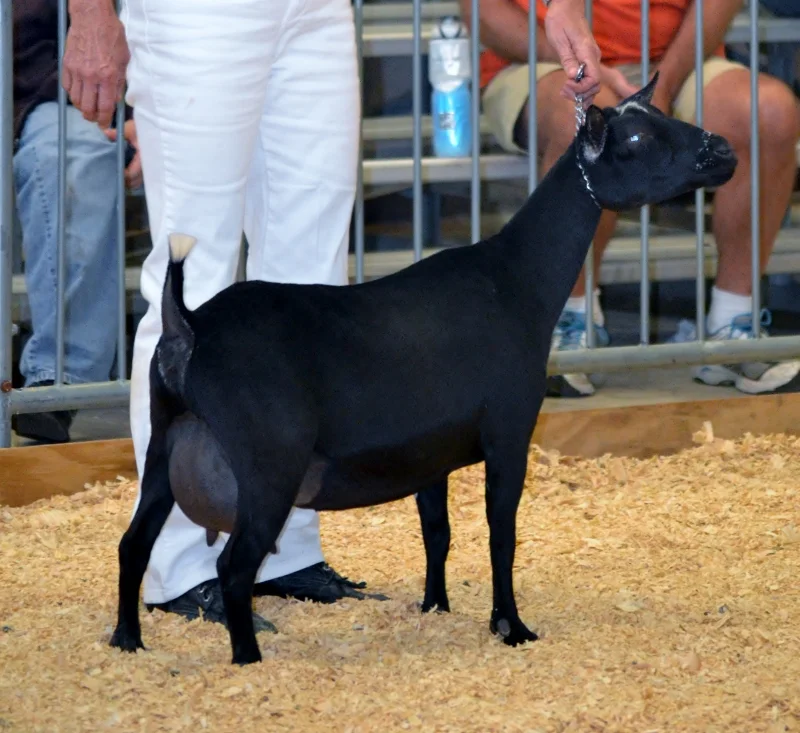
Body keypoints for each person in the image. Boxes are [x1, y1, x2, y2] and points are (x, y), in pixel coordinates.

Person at [61, 0, 603, 628]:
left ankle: (282, 546)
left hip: (317, 10)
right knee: (192, 285)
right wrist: (92, 12)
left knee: (314, 281)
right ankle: (176, 563)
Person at [473, 0, 800, 398]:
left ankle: (733, 326)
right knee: (590, 115)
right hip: (542, 60)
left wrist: (664, 83)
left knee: (771, 111)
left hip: (676, 60)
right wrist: (578, 60)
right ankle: (569, 323)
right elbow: (486, 15)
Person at [11, 0, 142, 444]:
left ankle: (59, 380)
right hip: (39, 82)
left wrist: (148, 113)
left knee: (74, 154)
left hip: (46, 89)